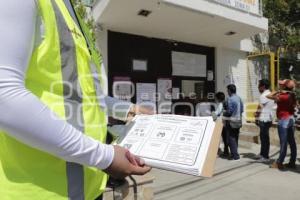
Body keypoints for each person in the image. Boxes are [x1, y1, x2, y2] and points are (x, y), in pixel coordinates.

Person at [0, 1, 151, 199]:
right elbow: (4, 96)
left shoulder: (71, 12)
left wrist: (129, 109)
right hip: (38, 191)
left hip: (88, 187)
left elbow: (83, 96)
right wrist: (105, 157)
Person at [267, 79, 297, 169]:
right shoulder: (292, 95)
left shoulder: (283, 96)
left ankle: (279, 162)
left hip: (284, 120)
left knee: (283, 142)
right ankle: (292, 162)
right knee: (292, 142)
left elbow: (268, 95)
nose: (280, 85)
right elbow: (295, 106)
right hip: (291, 119)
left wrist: (277, 91)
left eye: (282, 85)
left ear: (285, 86)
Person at [254, 79, 275, 162]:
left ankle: (265, 156)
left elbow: (260, 107)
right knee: (264, 137)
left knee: (264, 138)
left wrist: (256, 117)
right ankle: (262, 153)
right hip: (268, 118)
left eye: (259, 86)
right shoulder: (270, 94)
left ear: (263, 86)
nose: (258, 88)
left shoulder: (263, 95)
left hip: (264, 119)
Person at [223, 84, 244, 160]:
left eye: (227, 90)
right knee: (235, 138)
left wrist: (224, 113)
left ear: (229, 90)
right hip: (238, 120)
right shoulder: (239, 98)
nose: (227, 92)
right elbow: (242, 110)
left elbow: (229, 111)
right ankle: (235, 153)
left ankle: (234, 155)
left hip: (231, 121)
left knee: (230, 139)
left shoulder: (230, 99)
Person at [212, 92, 230, 157]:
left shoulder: (220, 104)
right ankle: (226, 151)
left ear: (218, 98)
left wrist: (212, 113)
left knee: (221, 138)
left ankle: (223, 151)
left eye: (216, 97)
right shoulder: (225, 103)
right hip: (225, 122)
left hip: (221, 123)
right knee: (225, 137)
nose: (215, 98)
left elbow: (217, 113)